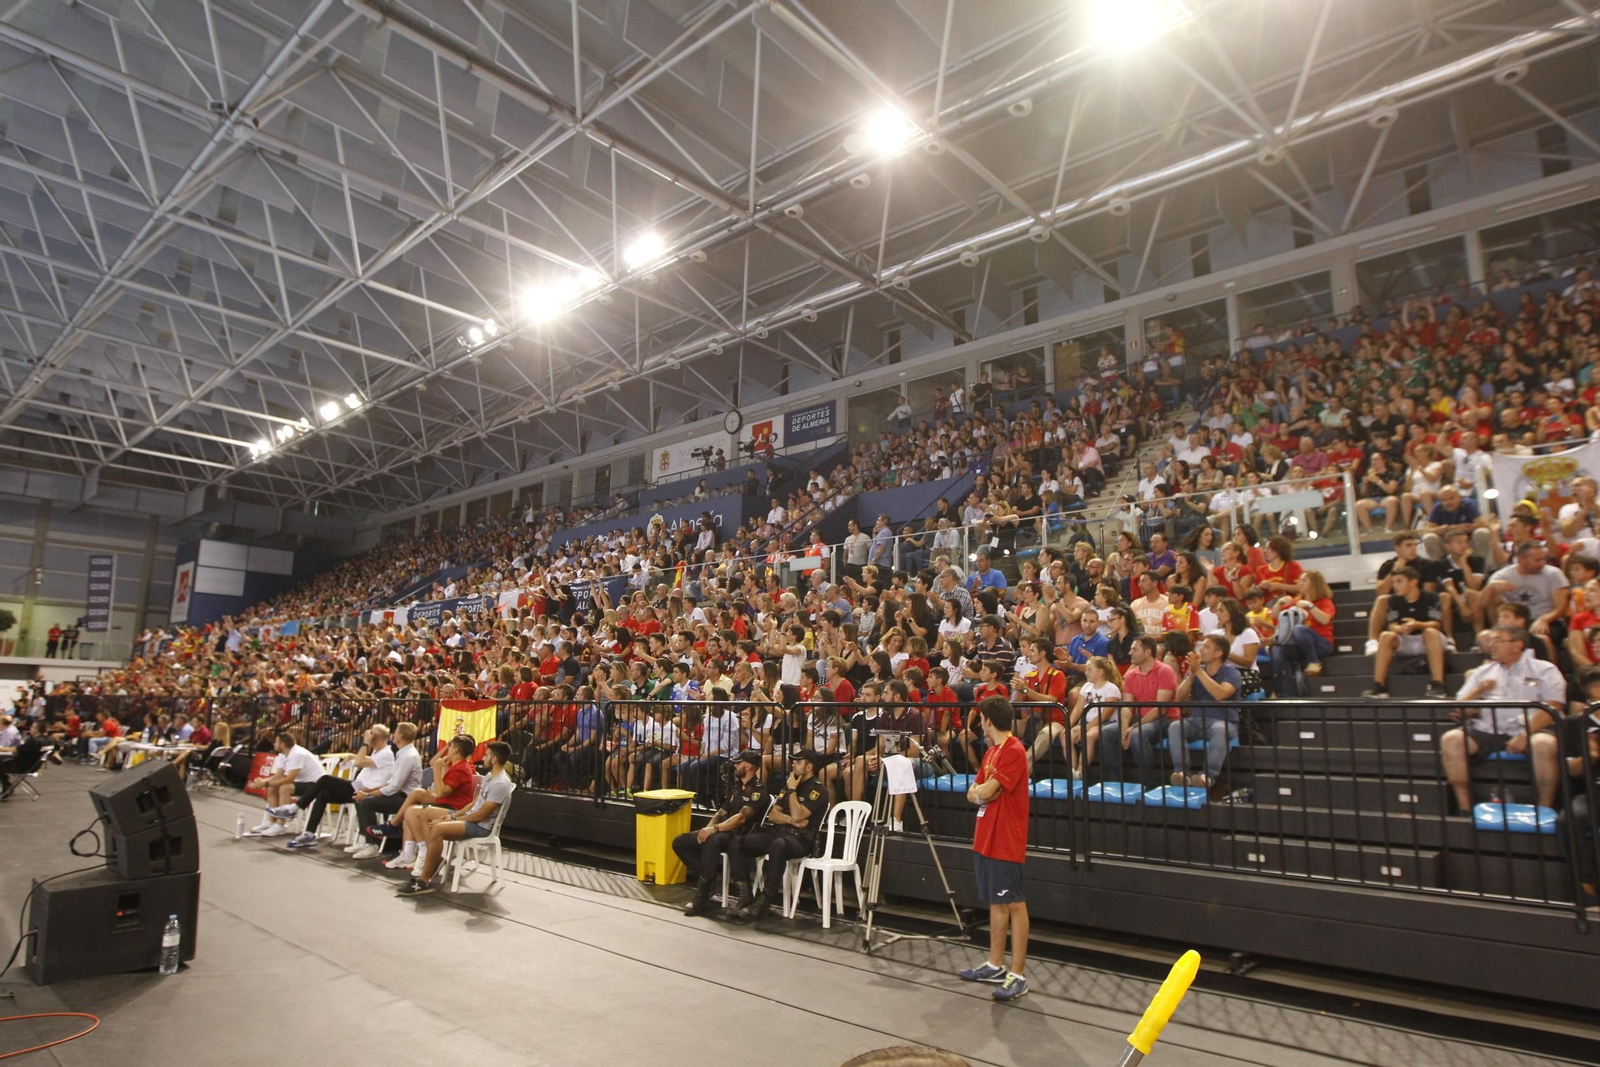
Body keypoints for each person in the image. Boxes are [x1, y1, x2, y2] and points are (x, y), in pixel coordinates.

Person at [1439, 626, 1565, 812]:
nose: (1492, 645)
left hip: (1532, 728)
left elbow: (1554, 705)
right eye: (1492, 641)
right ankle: (1464, 809)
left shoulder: (1544, 669)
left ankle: (1544, 809)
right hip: (1489, 729)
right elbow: (1459, 709)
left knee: (1544, 744)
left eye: (1498, 640)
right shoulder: (1482, 672)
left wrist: (1525, 734)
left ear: (1517, 645)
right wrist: (1478, 691)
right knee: (1451, 740)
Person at [955, 696, 1030, 1003]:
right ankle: (996, 964)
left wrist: (981, 792)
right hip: (986, 834)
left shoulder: (1013, 749)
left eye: (981, 719)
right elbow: (974, 792)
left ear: (988, 720)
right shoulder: (991, 753)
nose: (980, 725)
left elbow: (985, 791)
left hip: (1006, 837)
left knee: (1014, 903)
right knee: (995, 903)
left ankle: (1018, 974)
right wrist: (981, 792)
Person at [397, 741, 515, 896]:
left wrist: (451, 820)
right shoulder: (489, 777)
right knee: (427, 815)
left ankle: (424, 880)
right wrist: (452, 816)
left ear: (494, 759)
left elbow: (480, 815)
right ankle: (434, 860)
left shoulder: (500, 784)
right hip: (471, 819)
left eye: (486, 755)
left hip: (482, 827)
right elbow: (474, 804)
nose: (483, 758)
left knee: (438, 829)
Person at [731, 749, 828, 921]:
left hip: (800, 840)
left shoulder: (818, 790)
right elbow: (773, 815)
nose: (792, 764)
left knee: (779, 844)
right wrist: (791, 820)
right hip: (779, 832)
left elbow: (799, 815)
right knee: (738, 841)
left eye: (797, 762)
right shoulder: (789, 785)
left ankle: (766, 899)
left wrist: (791, 791)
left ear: (809, 767)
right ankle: (744, 892)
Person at [263, 724, 395, 849]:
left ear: (375, 736)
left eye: (370, 733)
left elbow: (360, 763)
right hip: (358, 786)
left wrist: (365, 742)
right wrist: (353, 755)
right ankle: (309, 834)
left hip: (366, 790)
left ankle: (295, 807)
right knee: (323, 794)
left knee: (326, 779)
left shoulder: (386, 753)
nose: (366, 735)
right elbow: (366, 760)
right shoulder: (378, 752)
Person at [674, 750, 767, 916]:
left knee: (714, 840)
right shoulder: (737, 788)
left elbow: (740, 819)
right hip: (721, 830)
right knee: (680, 842)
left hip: (739, 834)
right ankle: (711, 879)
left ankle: (700, 900)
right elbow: (722, 811)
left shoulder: (759, 791)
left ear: (748, 766)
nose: (735, 766)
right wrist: (707, 828)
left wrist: (714, 830)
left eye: (738, 763)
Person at [382, 734, 477, 869]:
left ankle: (426, 853)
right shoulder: (456, 765)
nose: (447, 750)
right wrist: (443, 769)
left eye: (450, 747)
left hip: (454, 808)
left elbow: (441, 792)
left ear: (456, 750)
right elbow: (442, 789)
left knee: (412, 812)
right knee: (412, 807)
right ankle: (410, 853)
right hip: (446, 802)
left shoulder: (461, 768)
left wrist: (437, 771)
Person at [1364, 567, 1449, 699]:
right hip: (1406, 640)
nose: (1395, 586)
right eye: (1394, 582)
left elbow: (1436, 624)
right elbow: (1392, 624)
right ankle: (1379, 686)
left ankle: (1438, 684)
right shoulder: (1393, 600)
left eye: (1399, 581)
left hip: (1428, 640)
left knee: (1430, 632)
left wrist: (1417, 624)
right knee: (1386, 635)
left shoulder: (1431, 597)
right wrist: (1399, 629)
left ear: (1413, 582)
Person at [1170, 634, 1242, 789]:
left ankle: (1208, 776)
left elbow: (1220, 694)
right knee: (1175, 726)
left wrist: (1199, 672)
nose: (1200, 650)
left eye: (1206, 647)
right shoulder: (1196, 671)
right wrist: (1190, 677)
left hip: (1225, 722)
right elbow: (1179, 697)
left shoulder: (1232, 673)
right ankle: (1182, 773)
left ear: (1218, 653)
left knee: (1219, 729)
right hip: (1196, 721)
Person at [350, 721, 424, 859]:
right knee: (363, 798)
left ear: (401, 736)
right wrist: (369, 790)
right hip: (399, 793)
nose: (393, 735)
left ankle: (372, 844)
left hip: (405, 798)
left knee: (366, 802)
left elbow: (393, 787)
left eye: (395, 732)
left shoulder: (407, 756)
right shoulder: (403, 753)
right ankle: (367, 840)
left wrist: (367, 794)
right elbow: (391, 783)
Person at [243, 729, 324, 838]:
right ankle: (271, 822)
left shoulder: (297, 754)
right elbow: (278, 775)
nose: (274, 744)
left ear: (282, 745)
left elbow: (289, 779)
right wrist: (264, 782)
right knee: (272, 787)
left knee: (285, 788)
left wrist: (265, 784)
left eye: (276, 742)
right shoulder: (282, 755)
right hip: (303, 782)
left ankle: (280, 824)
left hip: (317, 784)